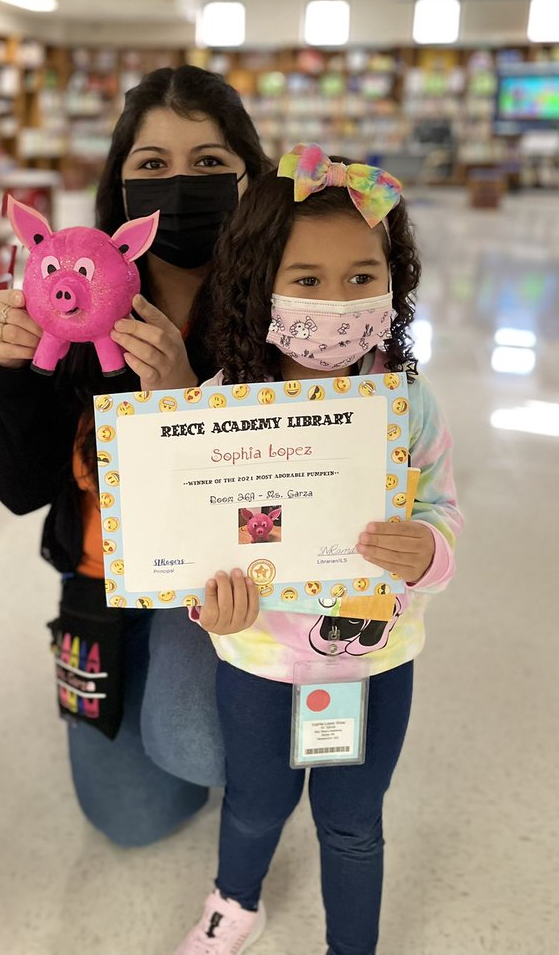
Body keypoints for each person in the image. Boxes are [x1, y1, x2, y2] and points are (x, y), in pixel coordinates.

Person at [174, 145, 462, 955]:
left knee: (353, 822)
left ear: (393, 280)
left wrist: (428, 552)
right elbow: (197, 539)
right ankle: (236, 903)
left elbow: (442, 506)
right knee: (255, 804)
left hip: (376, 660)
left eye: (362, 276)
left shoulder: (408, 403)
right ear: (259, 282)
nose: (338, 302)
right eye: (307, 279)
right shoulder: (224, 407)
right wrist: (208, 604)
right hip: (259, 662)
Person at [0, 66, 272, 847]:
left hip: (218, 581)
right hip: (101, 579)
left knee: (201, 746)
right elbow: (19, 488)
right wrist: (9, 371)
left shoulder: (279, 305)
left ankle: (232, 705)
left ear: (249, 176)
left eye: (209, 162)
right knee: (131, 819)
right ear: (120, 186)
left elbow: (281, 491)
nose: (180, 185)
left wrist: (180, 401)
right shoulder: (71, 294)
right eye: (152, 164)